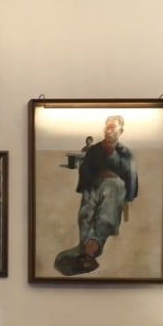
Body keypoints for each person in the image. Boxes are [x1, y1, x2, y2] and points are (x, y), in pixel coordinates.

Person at [54, 114, 138, 276]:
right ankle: (85, 249)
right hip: (93, 185)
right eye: (107, 126)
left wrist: (128, 195)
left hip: (115, 187)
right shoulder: (94, 150)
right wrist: (97, 176)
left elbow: (131, 177)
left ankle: (91, 250)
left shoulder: (125, 153)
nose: (109, 130)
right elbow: (85, 170)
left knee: (106, 211)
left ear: (121, 130)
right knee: (86, 211)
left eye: (113, 127)